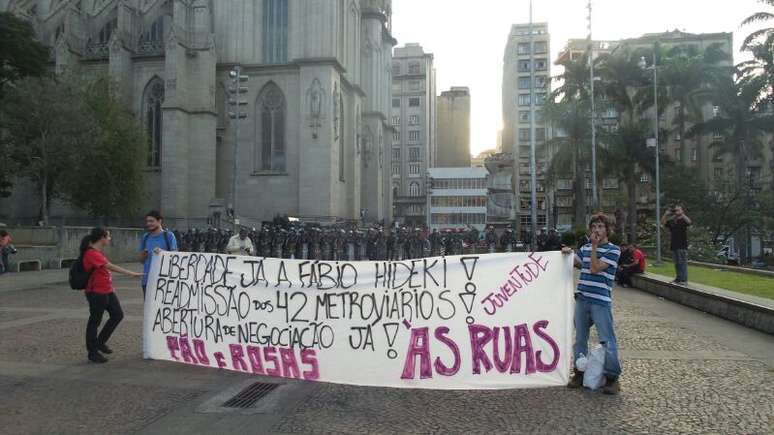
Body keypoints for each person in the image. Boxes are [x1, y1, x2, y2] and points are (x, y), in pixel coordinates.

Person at [562, 213, 622, 395]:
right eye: (594, 227)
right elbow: (579, 263)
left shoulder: (614, 250)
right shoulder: (585, 248)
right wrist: (567, 254)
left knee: (607, 340)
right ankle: (579, 372)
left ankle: (612, 378)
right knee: (580, 338)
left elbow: (595, 268)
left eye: (600, 227)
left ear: (608, 230)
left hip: (600, 301)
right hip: (582, 298)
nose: (596, 230)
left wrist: (594, 247)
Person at [81, 228, 143, 363]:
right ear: (102, 238)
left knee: (117, 315)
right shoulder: (91, 253)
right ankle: (92, 352)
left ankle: (99, 342)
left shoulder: (98, 252)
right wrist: (131, 273)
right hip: (96, 292)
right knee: (94, 322)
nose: (109, 239)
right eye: (108, 236)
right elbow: (110, 266)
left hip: (107, 290)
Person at [139, 211, 178, 298]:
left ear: (159, 221)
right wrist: (143, 256)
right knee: (149, 309)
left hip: (164, 280)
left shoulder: (169, 236)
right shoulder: (145, 237)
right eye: (147, 221)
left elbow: (175, 257)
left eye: (151, 221)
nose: (148, 224)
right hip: (147, 280)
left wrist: (162, 253)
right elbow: (141, 261)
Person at [662, 204, 692, 285]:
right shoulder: (673, 220)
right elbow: (663, 223)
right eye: (676, 210)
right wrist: (666, 214)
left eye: (678, 210)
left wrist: (682, 214)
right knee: (677, 263)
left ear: (682, 211)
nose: (676, 211)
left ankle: (684, 280)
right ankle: (678, 278)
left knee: (683, 263)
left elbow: (689, 222)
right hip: (674, 245)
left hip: (682, 245)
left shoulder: (684, 220)